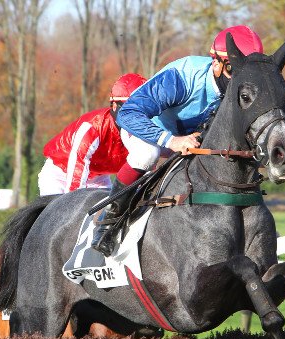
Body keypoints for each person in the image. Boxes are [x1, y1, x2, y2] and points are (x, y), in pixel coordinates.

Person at [90, 25, 264, 256]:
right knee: (148, 154)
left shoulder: (239, 91)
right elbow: (128, 114)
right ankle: (109, 219)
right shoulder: (182, 77)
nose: (240, 79)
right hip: (146, 130)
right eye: (234, 69)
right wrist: (171, 141)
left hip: (189, 138)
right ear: (216, 63)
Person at [38, 73, 147, 195]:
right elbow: (78, 168)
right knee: (66, 206)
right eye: (130, 109)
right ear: (114, 105)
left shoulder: (146, 131)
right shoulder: (93, 126)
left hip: (98, 178)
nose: (136, 117)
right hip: (60, 175)